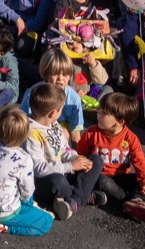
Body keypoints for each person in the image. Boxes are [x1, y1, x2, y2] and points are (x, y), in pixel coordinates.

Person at [77, 91, 145, 223]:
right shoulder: (91, 133)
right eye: (99, 110)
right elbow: (80, 154)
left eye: (104, 113)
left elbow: (140, 163)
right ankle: (132, 201)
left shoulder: (131, 139)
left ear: (119, 122)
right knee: (103, 181)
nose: (98, 114)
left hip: (120, 177)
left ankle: (139, 201)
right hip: (99, 177)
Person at [0, 106, 56, 235]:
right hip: (6, 212)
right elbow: (27, 191)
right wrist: (26, 201)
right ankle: (4, 228)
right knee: (46, 223)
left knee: (20, 191)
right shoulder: (24, 159)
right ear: (25, 135)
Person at [24, 83, 98, 221]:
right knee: (59, 182)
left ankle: (73, 199)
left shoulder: (54, 124)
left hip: (62, 169)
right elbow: (39, 169)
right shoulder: (31, 134)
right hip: (43, 181)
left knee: (96, 160)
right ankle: (82, 196)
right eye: (61, 109)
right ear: (52, 113)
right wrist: (71, 166)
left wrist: (76, 158)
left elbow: (64, 149)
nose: (62, 112)